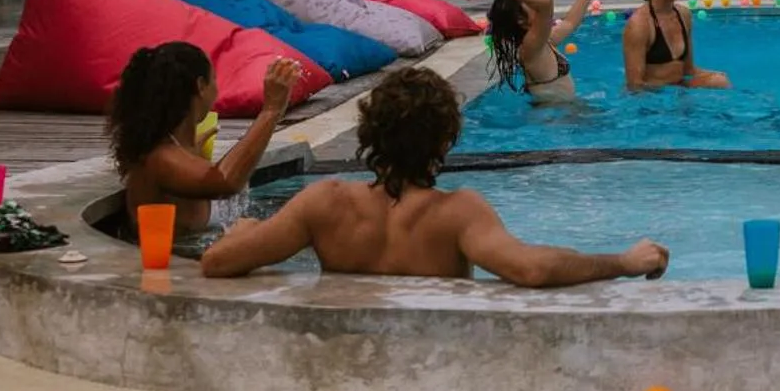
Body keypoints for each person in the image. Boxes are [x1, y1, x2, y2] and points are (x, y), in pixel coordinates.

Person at [201, 67, 669, 286]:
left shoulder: (325, 202)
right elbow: (531, 268)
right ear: (445, 140)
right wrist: (622, 261)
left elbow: (217, 262)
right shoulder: (457, 213)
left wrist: (244, 233)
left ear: (369, 130)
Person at [106, 42, 302, 234]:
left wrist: (193, 155)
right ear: (200, 86)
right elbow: (226, 182)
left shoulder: (173, 151)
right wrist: (271, 110)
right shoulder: (161, 158)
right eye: (214, 78)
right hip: (174, 255)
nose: (217, 89)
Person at [470, 0, 607, 100]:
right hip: (551, 113)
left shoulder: (541, 42)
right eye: (532, 5)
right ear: (521, 20)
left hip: (560, 110)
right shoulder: (531, 47)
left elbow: (570, 23)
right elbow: (546, 2)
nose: (537, 7)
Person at [621, 0, 732, 89]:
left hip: (678, 88)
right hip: (653, 94)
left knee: (721, 81)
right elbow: (634, 85)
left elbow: (688, 70)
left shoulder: (684, 15)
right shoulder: (639, 25)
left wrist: (714, 75)